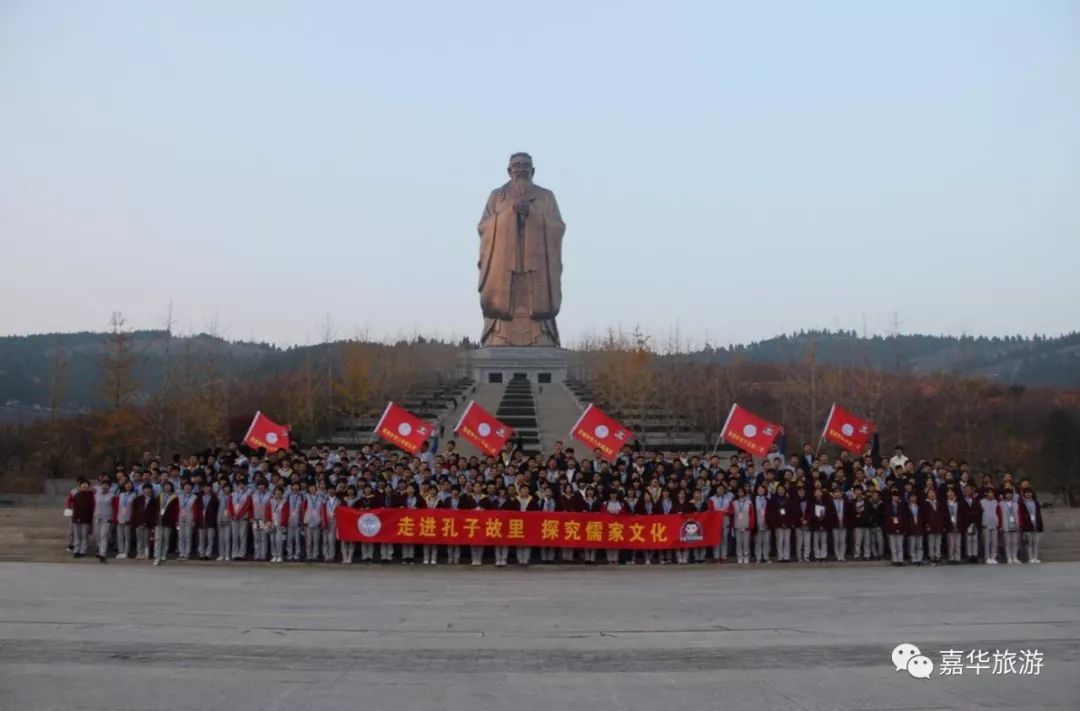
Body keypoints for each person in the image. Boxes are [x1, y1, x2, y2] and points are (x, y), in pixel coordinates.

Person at [154, 481, 179, 566]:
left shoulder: (175, 497)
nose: (167, 487)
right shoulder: (159, 496)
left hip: (168, 520)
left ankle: (164, 554)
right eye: (165, 486)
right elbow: (156, 508)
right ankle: (157, 555)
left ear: (171, 487)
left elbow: (176, 510)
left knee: (166, 539)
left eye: (169, 486)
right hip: (159, 520)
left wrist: (175, 520)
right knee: (158, 539)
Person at [767, 484, 792, 562]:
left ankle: (786, 556)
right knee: (779, 541)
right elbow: (772, 513)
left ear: (785, 491)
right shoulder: (774, 500)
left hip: (787, 523)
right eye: (779, 489)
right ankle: (780, 556)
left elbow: (791, 513)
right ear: (777, 491)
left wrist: (788, 523)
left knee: (787, 540)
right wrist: (776, 524)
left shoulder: (788, 500)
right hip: (778, 524)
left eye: (782, 489)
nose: (781, 491)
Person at [708, 483, 733, 563]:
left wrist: (727, 512)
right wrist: (718, 513)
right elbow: (710, 511)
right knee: (716, 539)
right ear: (716, 490)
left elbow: (731, 510)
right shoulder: (712, 499)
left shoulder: (728, 498)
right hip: (715, 520)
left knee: (724, 539)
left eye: (722, 489)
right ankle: (716, 556)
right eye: (719, 489)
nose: (720, 490)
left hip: (725, 519)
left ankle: (724, 556)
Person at [70, 478, 95, 558]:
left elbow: (92, 506)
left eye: (86, 486)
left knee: (84, 535)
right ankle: (76, 549)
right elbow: (72, 505)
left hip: (86, 519)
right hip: (76, 518)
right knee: (77, 535)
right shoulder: (76, 495)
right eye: (82, 486)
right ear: (79, 487)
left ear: (88, 487)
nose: (84, 487)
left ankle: (82, 550)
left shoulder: (91, 496)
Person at [230, 478, 253, 561]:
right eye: (240, 484)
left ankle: (242, 554)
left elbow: (248, 506)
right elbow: (229, 506)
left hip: (243, 517)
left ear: (245, 485)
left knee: (243, 536)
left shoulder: (247, 495)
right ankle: (234, 553)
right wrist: (232, 514)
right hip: (234, 518)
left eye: (243, 484)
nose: (241, 486)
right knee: (235, 536)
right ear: (237, 485)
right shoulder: (233, 494)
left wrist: (239, 515)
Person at [93, 479, 116, 563]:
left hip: (107, 519)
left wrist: (112, 517)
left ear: (109, 487)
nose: (105, 486)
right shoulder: (96, 495)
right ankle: (99, 550)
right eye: (103, 485)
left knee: (104, 535)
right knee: (97, 535)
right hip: (97, 517)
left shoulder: (112, 496)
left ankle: (102, 553)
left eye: (107, 485)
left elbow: (114, 507)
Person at [1018, 488, 1043, 564]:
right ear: (1024, 494)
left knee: (1035, 542)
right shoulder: (1022, 503)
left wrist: (1040, 525)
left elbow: (1039, 515)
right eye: (1026, 493)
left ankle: (1035, 557)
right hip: (1027, 525)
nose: (1028, 494)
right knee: (1029, 543)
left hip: (1035, 524)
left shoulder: (1036, 503)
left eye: (1030, 493)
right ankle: (1030, 558)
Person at [730, 487, 753, 565]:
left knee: (746, 543)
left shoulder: (749, 502)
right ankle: (739, 557)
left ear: (744, 493)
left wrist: (750, 525)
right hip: (737, 525)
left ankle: (746, 557)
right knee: (738, 543)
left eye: (742, 492)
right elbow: (732, 515)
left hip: (746, 525)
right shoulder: (734, 502)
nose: (740, 493)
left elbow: (751, 514)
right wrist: (732, 525)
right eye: (739, 492)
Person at [176, 481, 199, 561]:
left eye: (189, 486)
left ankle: (187, 553)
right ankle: (181, 553)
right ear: (183, 487)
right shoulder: (180, 496)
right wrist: (177, 519)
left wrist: (194, 520)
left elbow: (196, 509)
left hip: (190, 516)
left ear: (191, 488)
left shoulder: (194, 497)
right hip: (180, 517)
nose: (187, 487)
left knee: (188, 536)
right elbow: (177, 508)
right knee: (180, 535)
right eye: (186, 486)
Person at [826, 488, 851, 562]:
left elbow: (848, 513)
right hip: (835, 523)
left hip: (843, 523)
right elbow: (829, 513)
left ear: (841, 493)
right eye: (835, 492)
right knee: (836, 541)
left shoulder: (845, 502)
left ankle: (842, 556)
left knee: (843, 541)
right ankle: (837, 556)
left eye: (838, 492)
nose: (837, 494)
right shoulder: (830, 502)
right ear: (833, 494)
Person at [251, 480, 272, 562]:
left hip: (265, 519)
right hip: (255, 519)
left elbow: (271, 507)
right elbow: (251, 507)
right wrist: (251, 517)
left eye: (262, 485)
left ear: (265, 486)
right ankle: (257, 555)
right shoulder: (254, 495)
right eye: (259, 485)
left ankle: (263, 555)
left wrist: (268, 518)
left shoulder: (269, 495)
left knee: (264, 538)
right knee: (256, 538)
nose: (261, 487)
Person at [115, 479, 137, 560]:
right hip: (120, 517)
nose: (128, 485)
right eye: (127, 484)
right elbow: (117, 506)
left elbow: (134, 508)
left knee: (127, 536)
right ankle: (120, 551)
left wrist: (132, 518)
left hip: (128, 517)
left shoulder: (134, 495)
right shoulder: (121, 494)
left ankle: (126, 552)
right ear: (124, 486)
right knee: (120, 536)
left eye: (130, 484)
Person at [922, 488, 945, 565]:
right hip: (930, 525)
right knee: (931, 543)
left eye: (933, 493)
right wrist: (927, 525)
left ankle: (938, 557)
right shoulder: (925, 504)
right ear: (927, 495)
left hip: (938, 525)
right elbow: (924, 516)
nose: (932, 494)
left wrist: (942, 525)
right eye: (930, 493)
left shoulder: (939, 503)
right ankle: (932, 557)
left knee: (938, 543)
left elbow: (942, 515)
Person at [999, 488, 1021, 564]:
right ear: (1004, 495)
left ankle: (1015, 557)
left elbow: (1018, 515)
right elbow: (1000, 515)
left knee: (1015, 542)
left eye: (1010, 493)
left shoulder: (1016, 504)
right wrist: (1001, 525)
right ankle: (1009, 557)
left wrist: (1019, 525)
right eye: (1007, 494)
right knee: (1008, 542)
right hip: (1006, 524)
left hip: (1014, 524)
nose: (1008, 495)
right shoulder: (1001, 504)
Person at [197, 483, 218, 561]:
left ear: (211, 488)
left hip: (211, 520)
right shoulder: (199, 497)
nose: (206, 489)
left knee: (210, 538)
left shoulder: (214, 497)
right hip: (201, 519)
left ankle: (208, 554)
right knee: (201, 538)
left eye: (208, 487)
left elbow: (216, 509)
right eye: (205, 487)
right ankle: (201, 553)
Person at [303, 482, 324, 562]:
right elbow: (303, 508)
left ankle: (315, 555)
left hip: (317, 520)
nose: (312, 489)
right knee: (309, 541)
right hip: (308, 521)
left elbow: (322, 509)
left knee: (316, 540)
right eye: (310, 488)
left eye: (313, 488)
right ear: (308, 489)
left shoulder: (320, 497)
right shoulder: (306, 496)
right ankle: (309, 555)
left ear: (316, 489)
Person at [980, 486, 1001, 564]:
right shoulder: (982, 501)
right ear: (986, 494)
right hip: (986, 524)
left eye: (992, 493)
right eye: (989, 493)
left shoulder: (996, 502)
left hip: (994, 524)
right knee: (987, 542)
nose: (991, 494)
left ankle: (993, 557)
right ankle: (987, 557)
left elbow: (998, 512)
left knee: (994, 542)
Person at [285, 481, 305, 562]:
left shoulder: (302, 496)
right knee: (289, 539)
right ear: (291, 487)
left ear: (299, 488)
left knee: (297, 539)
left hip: (298, 520)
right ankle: (289, 554)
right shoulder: (289, 496)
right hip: (290, 519)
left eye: (297, 486)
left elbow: (303, 509)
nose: (295, 488)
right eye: (294, 486)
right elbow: (286, 509)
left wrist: (302, 520)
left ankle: (297, 555)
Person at [269, 485, 289, 563]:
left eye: (279, 494)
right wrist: (268, 521)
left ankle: (280, 556)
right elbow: (268, 511)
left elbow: (286, 513)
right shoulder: (271, 501)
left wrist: (283, 523)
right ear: (274, 494)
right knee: (272, 540)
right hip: (272, 521)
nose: (277, 495)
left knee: (278, 540)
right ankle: (274, 555)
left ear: (282, 494)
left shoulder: (284, 502)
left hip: (280, 522)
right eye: (276, 494)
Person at [943, 488, 963, 564]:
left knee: (958, 543)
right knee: (951, 543)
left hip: (958, 524)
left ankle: (957, 558)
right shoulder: (945, 504)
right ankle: (951, 558)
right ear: (947, 494)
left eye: (952, 492)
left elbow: (961, 514)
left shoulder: (958, 503)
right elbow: (944, 516)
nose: (951, 494)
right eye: (949, 492)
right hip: (949, 525)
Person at [216, 482, 233, 562]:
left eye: (228, 487)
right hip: (221, 518)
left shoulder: (233, 496)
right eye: (225, 487)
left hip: (229, 519)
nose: (226, 489)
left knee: (227, 538)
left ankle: (227, 555)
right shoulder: (220, 497)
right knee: (221, 538)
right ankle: (221, 554)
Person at [323, 491, 342, 563]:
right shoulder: (324, 500)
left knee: (331, 539)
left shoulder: (338, 500)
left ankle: (331, 556)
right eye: (329, 490)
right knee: (325, 540)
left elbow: (340, 510)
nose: (331, 491)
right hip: (325, 519)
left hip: (334, 520)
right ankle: (325, 555)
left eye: (332, 489)